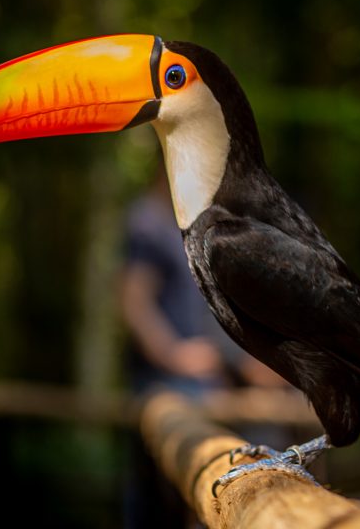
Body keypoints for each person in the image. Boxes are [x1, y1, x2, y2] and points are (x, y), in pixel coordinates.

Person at [118, 162, 288, 528]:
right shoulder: (149, 221)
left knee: (264, 434)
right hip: (166, 383)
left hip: (211, 379)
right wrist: (172, 355)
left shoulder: (203, 225)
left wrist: (252, 363)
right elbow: (134, 300)